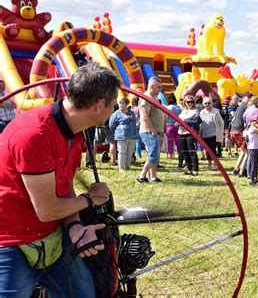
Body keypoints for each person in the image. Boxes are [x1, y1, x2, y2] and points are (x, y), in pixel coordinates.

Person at [0, 63, 117, 296]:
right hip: (11, 243)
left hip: (53, 238)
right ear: (99, 104)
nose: (113, 110)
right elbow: (47, 210)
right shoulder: (34, 135)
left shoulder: (74, 131)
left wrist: (74, 225)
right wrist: (91, 199)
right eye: (113, 105)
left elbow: (63, 189)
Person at [136, 78, 164, 183]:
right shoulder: (146, 98)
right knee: (153, 155)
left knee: (154, 155)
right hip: (148, 131)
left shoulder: (154, 97)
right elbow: (145, 116)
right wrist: (153, 130)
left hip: (154, 130)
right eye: (159, 87)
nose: (160, 89)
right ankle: (142, 176)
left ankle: (152, 176)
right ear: (152, 87)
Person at [109, 97, 138, 172]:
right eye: (120, 103)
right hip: (122, 136)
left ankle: (127, 166)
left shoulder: (132, 112)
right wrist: (119, 131)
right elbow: (111, 125)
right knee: (122, 152)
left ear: (127, 104)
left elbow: (134, 123)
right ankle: (121, 167)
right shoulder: (116, 114)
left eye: (123, 104)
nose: (121, 105)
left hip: (133, 135)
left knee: (130, 152)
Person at [179, 95, 202, 175]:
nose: (190, 103)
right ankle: (189, 169)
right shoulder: (183, 111)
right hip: (181, 133)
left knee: (192, 152)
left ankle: (195, 170)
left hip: (190, 133)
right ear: (184, 102)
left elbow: (197, 122)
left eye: (192, 101)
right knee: (185, 152)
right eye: (188, 102)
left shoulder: (195, 111)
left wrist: (186, 121)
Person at [200, 96, 224, 170]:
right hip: (204, 134)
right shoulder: (202, 112)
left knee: (212, 150)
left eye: (208, 103)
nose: (207, 104)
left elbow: (221, 122)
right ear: (203, 104)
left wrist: (220, 131)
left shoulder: (215, 111)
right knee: (207, 150)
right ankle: (209, 164)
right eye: (205, 103)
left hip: (213, 134)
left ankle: (214, 164)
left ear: (211, 103)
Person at [230, 92, 252, 177]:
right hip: (238, 131)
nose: (250, 99)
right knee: (248, 152)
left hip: (234, 130)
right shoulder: (245, 106)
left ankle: (236, 169)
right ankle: (241, 172)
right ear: (245, 97)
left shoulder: (240, 106)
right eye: (249, 97)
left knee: (243, 152)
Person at [247, 115, 258, 185]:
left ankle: (255, 178)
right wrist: (257, 125)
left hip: (256, 147)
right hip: (253, 148)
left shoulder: (254, 128)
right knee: (254, 164)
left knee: (256, 164)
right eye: (255, 122)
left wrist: (257, 125)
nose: (257, 123)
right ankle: (252, 179)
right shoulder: (252, 128)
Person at [165, 93, 181, 159]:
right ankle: (180, 154)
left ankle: (170, 155)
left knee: (170, 141)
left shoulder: (167, 108)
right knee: (178, 141)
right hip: (177, 126)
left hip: (169, 126)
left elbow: (165, 117)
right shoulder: (179, 107)